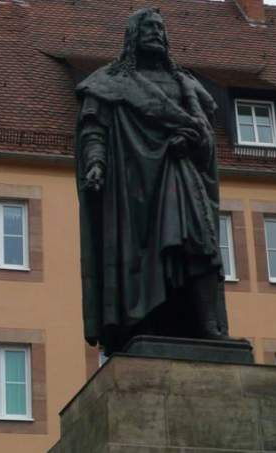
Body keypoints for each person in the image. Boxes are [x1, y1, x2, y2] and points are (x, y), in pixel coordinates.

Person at [76, 7, 229, 355]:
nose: (156, 33)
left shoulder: (186, 83)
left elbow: (205, 133)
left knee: (201, 245)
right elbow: (93, 130)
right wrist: (96, 164)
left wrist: (191, 140)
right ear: (132, 35)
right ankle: (141, 326)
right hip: (133, 186)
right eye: (148, 27)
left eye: (160, 28)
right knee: (140, 254)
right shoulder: (111, 81)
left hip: (181, 175)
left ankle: (207, 326)